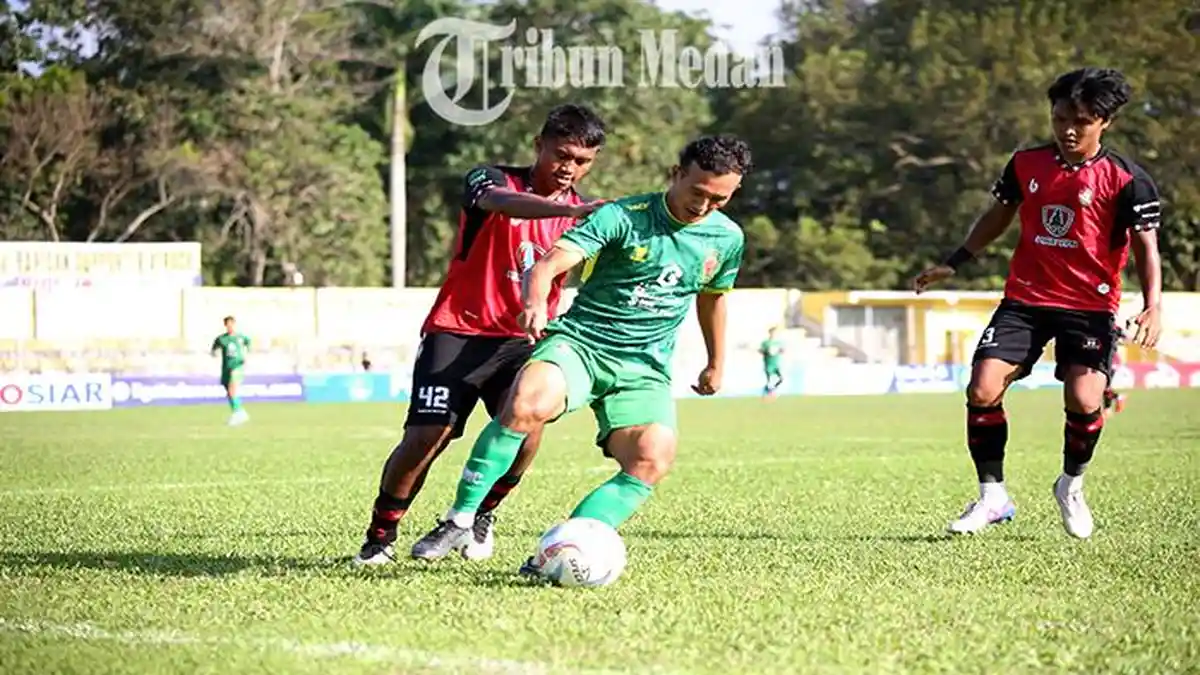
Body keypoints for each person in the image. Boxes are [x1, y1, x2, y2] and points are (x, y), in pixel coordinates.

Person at [409, 135, 751, 576]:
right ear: (676, 174)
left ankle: (559, 550)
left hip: (643, 368)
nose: (703, 207)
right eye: (697, 193)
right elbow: (549, 263)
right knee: (527, 403)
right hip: (581, 344)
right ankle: (460, 518)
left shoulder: (726, 238)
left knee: (652, 457)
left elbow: (713, 297)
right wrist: (534, 302)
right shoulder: (622, 216)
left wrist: (716, 362)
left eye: (718, 200)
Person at [352, 104, 608, 566]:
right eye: (561, 153)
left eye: (583, 160)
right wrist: (569, 209)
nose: (570, 167)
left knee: (528, 429)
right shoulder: (490, 180)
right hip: (459, 329)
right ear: (539, 145)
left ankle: (480, 515)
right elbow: (501, 204)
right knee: (428, 435)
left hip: (524, 338)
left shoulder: (585, 214)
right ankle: (380, 536)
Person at [913, 67, 1163, 539]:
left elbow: (1148, 247)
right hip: (1025, 298)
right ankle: (993, 498)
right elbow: (999, 215)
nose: (1068, 129)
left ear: (1104, 122)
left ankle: (1070, 484)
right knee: (983, 389)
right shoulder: (1026, 163)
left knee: (1085, 398)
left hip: (1089, 307)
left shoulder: (1127, 179)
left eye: (1082, 121)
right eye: (1060, 116)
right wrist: (956, 260)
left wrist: (1154, 305)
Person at [211, 316, 251, 426]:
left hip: (237, 366)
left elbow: (248, 343)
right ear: (225, 325)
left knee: (232, 389)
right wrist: (214, 353)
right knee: (229, 392)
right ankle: (239, 411)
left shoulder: (240, 337)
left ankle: (239, 413)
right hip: (226, 368)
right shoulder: (222, 339)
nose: (230, 327)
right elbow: (214, 349)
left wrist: (246, 355)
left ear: (234, 324)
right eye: (227, 325)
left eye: (231, 324)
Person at [759, 326, 785, 398]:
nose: (773, 334)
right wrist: (767, 352)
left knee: (781, 379)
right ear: (769, 333)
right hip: (768, 364)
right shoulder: (766, 342)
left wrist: (780, 350)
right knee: (770, 380)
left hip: (776, 364)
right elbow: (760, 350)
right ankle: (769, 393)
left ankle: (771, 390)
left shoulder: (778, 342)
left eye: (774, 333)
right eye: (772, 333)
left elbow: (782, 350)